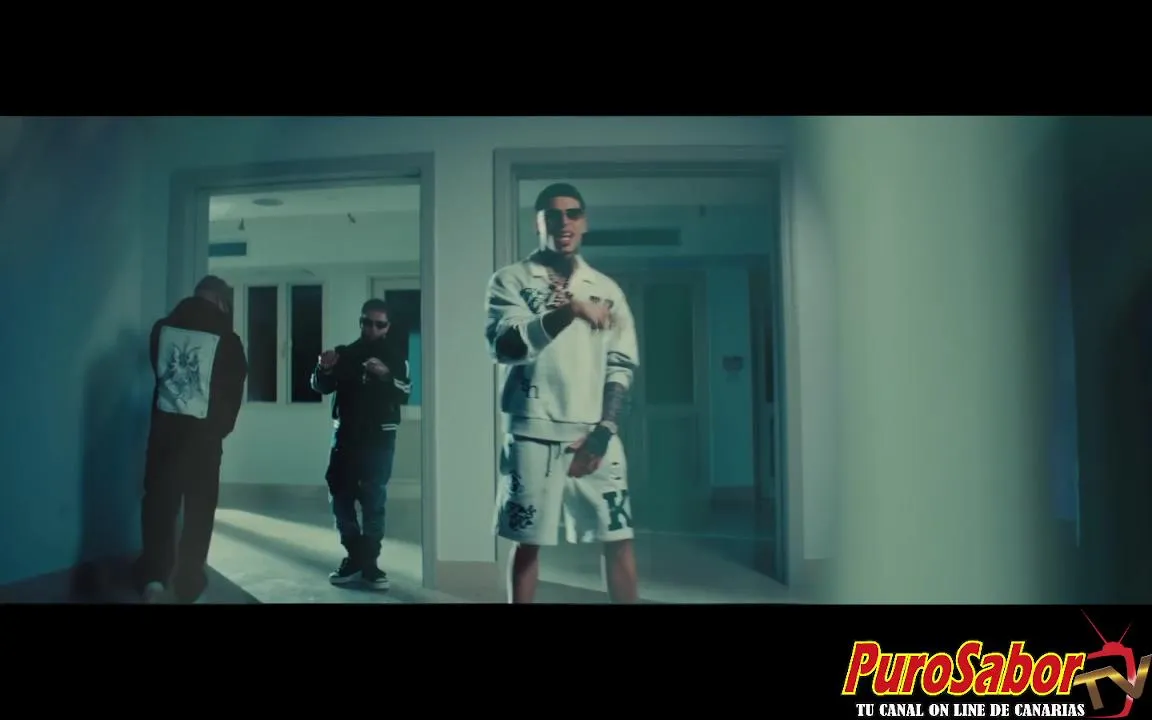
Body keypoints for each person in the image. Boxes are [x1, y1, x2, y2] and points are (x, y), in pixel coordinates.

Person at [486, 182, 641, 603]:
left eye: (572, 213)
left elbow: (621, 363)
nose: (563, 222)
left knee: (619, 536)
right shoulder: (511, 281)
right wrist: (569, 311)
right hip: (531, 431)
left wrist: (604, 430)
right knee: (528, 542)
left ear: (584, 222)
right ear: (538, 223)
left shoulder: (605, 288)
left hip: (593, 432)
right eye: (552, 215)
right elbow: (507, 347)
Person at [133, 275, 248, 604]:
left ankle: (153, 579)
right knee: (199, 512)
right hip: (204, 442)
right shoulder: (229, 340)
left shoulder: (162, 330)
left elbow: (159, 371)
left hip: (164, 437)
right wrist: (218, 429)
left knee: (159, 506)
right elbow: (233, 392)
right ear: (221, 301)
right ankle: (188, 585)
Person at [311, 298, 411, 590]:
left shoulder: (396, 358)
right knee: (339, 496)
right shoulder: (345, 354)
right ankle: (357, 556)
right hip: (345, 437)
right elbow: (320, 386)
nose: (373, 329)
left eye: (379, 324)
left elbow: (405, 392)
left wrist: (386, 376)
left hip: (379, 438)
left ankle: (369, 564)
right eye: (368, 322)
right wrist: (323, 368)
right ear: (361, 322)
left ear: (387, 327)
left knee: (373, 500)